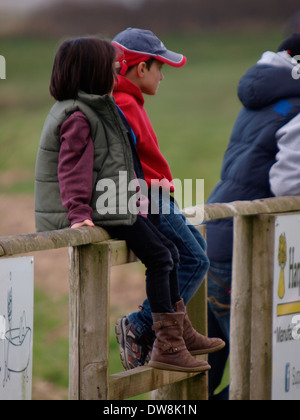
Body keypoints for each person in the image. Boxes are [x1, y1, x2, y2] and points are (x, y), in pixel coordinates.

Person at [34, 36, 213, 374]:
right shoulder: (78, 114)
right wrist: (78, 214)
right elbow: (72, 168)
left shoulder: (97, 106)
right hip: (103, 206)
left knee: (170, 253)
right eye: (110, 67)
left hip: (117, 201)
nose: (116, 72)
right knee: (163, 256)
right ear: (91, 71)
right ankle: (168, 344)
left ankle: (177, 332)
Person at [112, 28, 225, 370]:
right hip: (149, 195)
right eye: (158, 67)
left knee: (198, 254)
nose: (162, 75)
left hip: (160, 193)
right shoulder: (121, 103)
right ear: (139, 68)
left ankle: (178, 330)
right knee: (194, 259)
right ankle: (145, 326)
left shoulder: (131, 101)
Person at [205, 33, 300, 399]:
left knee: (206, 368)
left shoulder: (266, 96)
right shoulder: (294, 104)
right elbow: (288, 183)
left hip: (219, 237)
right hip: (246, 250)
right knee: (268, 374)